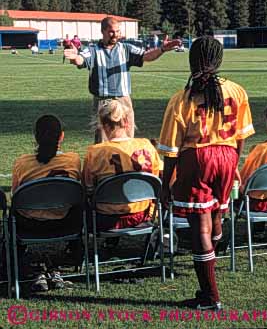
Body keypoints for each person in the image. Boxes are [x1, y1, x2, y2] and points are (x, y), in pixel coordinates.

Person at [158, 36, 255, 310]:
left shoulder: (183, 98)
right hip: (226, 155)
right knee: (216, 215)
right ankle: (212, 255)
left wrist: (166, 185)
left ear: (192, 60)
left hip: (197, 158)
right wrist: (234, 162)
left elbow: (171, 150)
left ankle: (210, 295)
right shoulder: (237, 91)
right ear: (219, 60)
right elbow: (241, 135)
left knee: (199, 227)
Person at [64, 16, 181, 143]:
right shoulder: (93, 50)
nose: (115, 35)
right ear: (102, 31)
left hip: (123, 100)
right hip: (103, 102)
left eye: (118, 31)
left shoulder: (125, 49)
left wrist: (162, 49)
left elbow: (146, 56)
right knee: (103, 143)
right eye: (111, 31)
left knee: (127, 139)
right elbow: (81, 59)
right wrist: (74, 57)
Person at [12, 114, 81, 292]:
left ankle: (18, 253)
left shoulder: (22, 163)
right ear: (62, 136)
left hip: (29, 225)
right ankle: (75, 249)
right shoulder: (73, 160)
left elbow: (15, 197)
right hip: (65, 223)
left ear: (35, 136)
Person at [82, 99, 162, 230]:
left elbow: (88, 189)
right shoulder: (146, 145)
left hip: (105, 218)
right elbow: (158, 178)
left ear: (104, 125)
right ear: (126, 122)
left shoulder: (95, 152)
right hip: (142, 214)